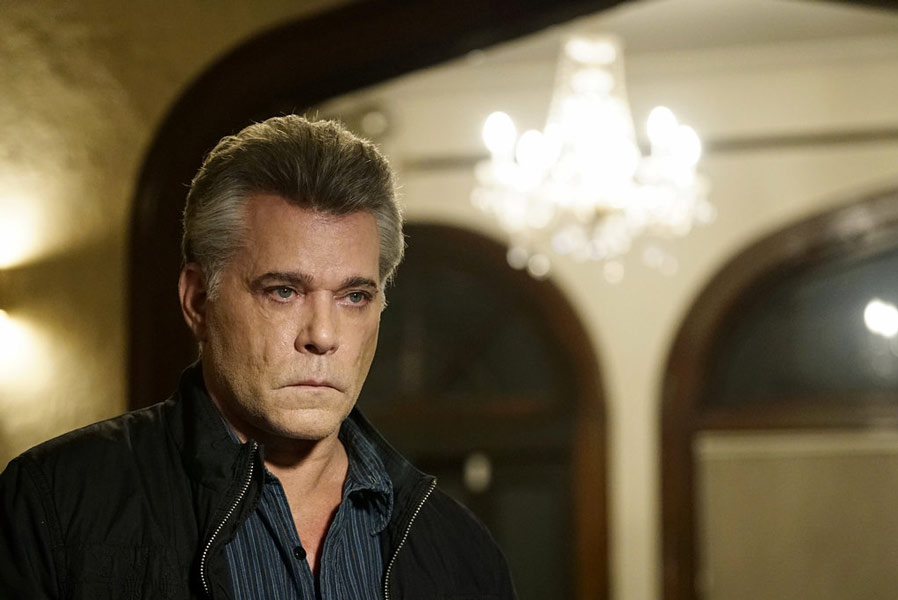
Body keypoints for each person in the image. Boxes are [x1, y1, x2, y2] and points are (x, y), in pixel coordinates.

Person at [0, 115, 517, 599]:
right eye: (283, 292)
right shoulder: (54, 504)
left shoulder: (461, 551)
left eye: (354, 296)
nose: (322, 336)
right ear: (197, 301)